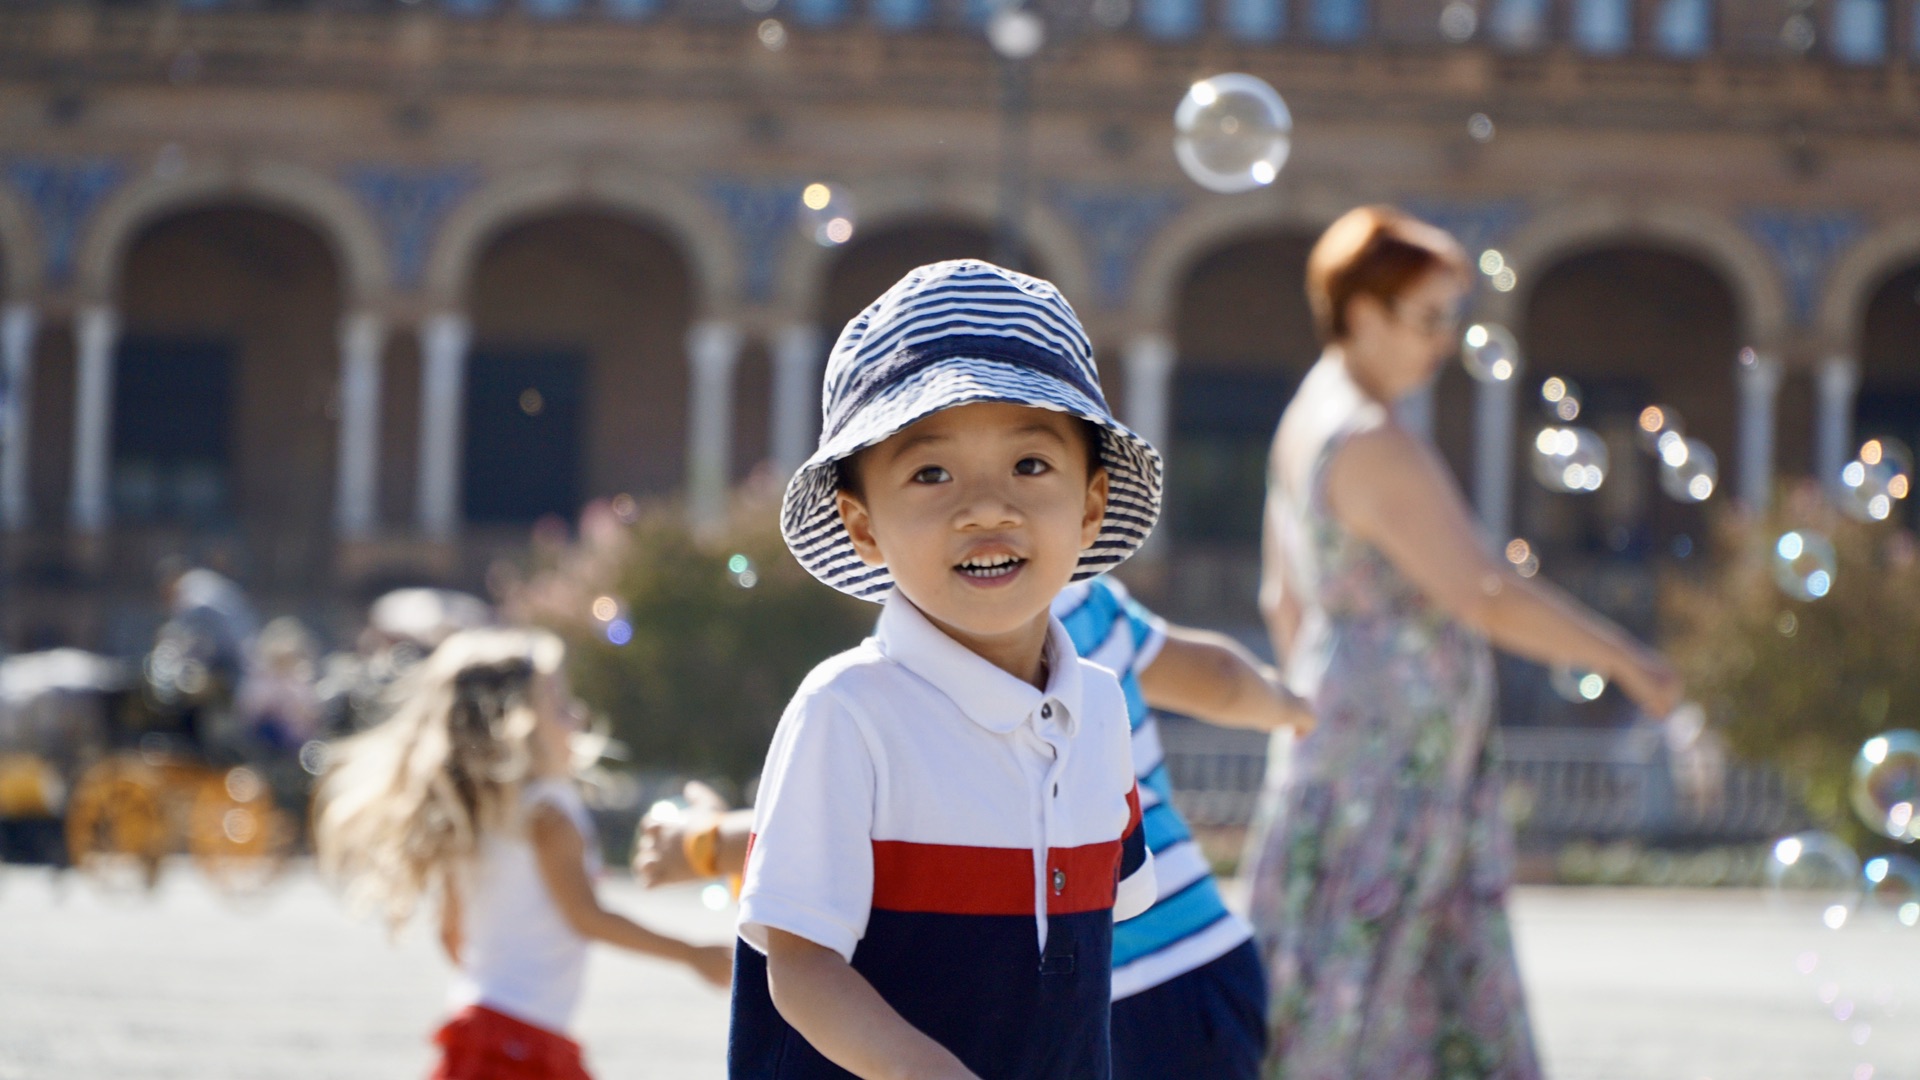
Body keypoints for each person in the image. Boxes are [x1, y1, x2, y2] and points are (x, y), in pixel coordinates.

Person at [1246, 205, 1683, 1079]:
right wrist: (1627, 659)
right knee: (1391, 976)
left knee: (1343, 969)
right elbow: (1484, 592)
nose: (1444, 343)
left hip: (1347, 744)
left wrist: (1318, 714)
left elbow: (1278, 598)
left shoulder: (1310, 416)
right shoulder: (1371, 440)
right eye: (1429, 318)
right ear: (1364, 314)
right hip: (1396, 764)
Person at [730, 259, 1159, 1080]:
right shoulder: (847, 709)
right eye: (931, 473)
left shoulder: (1099, 707)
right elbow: (799, 965)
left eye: (1031, 467)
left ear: (1092, 505)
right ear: (861, 526)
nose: (987, 507)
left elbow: (1095, 945)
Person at [641, 575, 1313, 1080]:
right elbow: (1222, 677)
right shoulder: (1092, 602)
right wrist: (1297, 708)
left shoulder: (918, 666)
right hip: (1210, 958)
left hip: (1100, 1002)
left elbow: (856, 830)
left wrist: (700, 844)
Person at [313, 627, 732, 1080]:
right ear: (515, 724)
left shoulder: (477, 812)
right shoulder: (548, 815)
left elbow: (452, 935)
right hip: (523, 1042)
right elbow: (586, 917)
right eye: (560, 704)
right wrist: (691, 954)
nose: (578, 716)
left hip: (481, 1028)